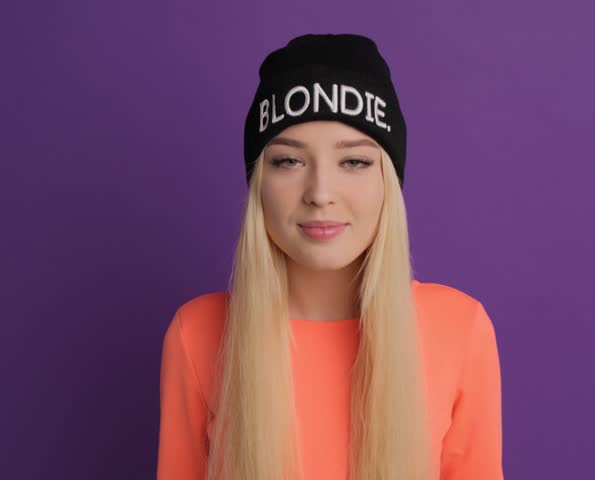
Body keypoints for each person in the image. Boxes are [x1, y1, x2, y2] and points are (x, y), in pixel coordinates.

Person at [157, 33, 503, 480]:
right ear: (258, 183)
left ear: (388, 183)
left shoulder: (460, 328)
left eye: (354, 162)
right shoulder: (196, 334)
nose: (320, 194)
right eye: (288, 161)